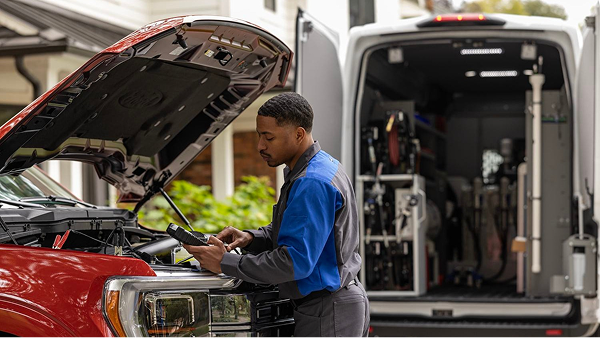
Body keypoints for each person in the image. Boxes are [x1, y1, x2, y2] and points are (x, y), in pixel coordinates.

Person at [183, 92, 370, 338]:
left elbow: (294, 261)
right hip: (333, 305)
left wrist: (225, 263)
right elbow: (304, 232)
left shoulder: (310, 182)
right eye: (259, 135)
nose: (260, 145)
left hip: (327, 311)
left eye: (268, 137)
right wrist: (252, 237)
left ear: (299, 134)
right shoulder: (320, 166)